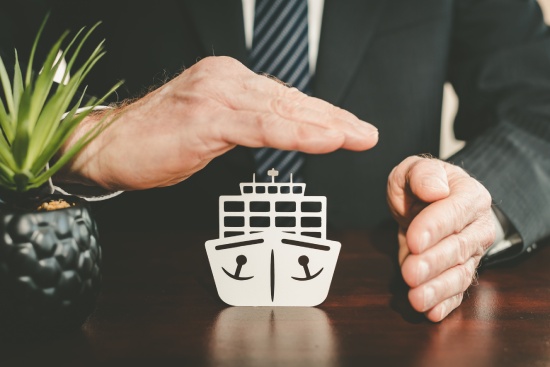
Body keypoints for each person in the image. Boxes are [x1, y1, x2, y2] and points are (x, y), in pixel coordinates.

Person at [2, 0, 549, 323]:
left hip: (382, 309)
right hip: (126, 314)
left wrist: (474, 212)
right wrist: (87, 138)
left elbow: (538, 102)